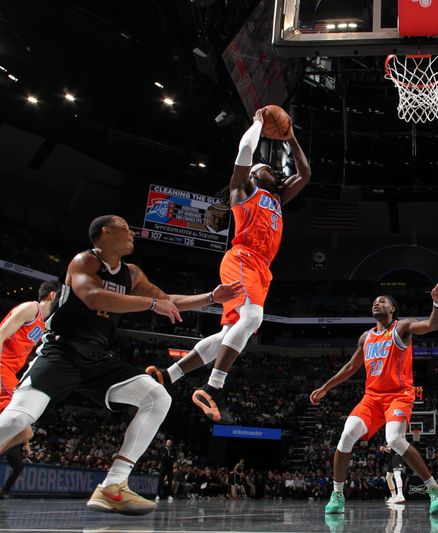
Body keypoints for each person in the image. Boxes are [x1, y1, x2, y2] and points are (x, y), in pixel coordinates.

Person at [0, 215, 241, 515]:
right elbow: (92, 297)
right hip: (61, 353)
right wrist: (152, 305)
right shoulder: (83, 262)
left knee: (158, 396)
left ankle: (113, 486)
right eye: (125, 229)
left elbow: (167, 300)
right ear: (105, 232)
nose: (132, 234)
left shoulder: (133, 274)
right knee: (15, 421)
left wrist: (210, 297)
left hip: (98, 359)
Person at [147, 107, 311, 424]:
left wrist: (290, 137)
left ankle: (168, 376)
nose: (273, 172)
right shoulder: (244, 190)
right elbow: (245, 152)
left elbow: (305, 174)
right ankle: (213, 388)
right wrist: (259, 124)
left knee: (228, 334)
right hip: (242, 258)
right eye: (265, 169)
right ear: (252, 175)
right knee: (253, 317)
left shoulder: (277, 198)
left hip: (262, 269)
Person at [310, 286, 438, 515]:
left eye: (382, 301)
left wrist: (437, 304)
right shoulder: (366, 337)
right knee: (346, 435)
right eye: (375, 301)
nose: (377, 303)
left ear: (392, 309)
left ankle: (436, 491)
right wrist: (325, 388)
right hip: (372, 398)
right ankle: (337, 494)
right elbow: (350, 367)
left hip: (399, 395)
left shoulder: (402, 327)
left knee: (394, 438)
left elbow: (431, 326)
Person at [0, 280, 60, 497]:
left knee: (24, 431)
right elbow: (1, 333)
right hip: (1, 367)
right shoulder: (30, 308)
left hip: (10, 373)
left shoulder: (44, 325)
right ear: (53, 296)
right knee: (23, 427)